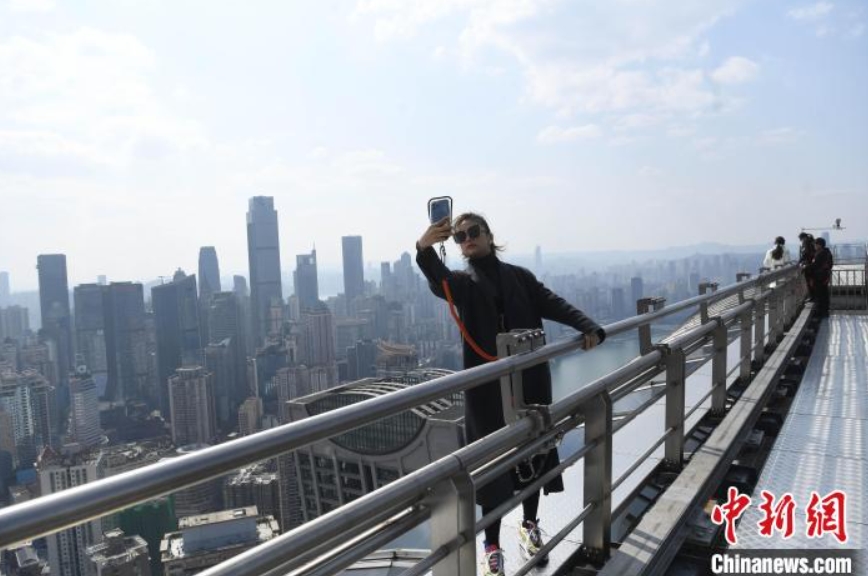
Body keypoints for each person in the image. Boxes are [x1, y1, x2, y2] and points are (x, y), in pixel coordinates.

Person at [416, 213, 606, 576]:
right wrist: (424, 248)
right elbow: (437, 280)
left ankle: (530, 524)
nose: (466, 240)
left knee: (531, 453)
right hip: (486, 392)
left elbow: (553, 303)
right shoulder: (462, 283)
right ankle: (491, 546)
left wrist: (589, 327)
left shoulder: (520, 277)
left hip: (530, 382)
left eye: (473, 233)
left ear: (489, 236)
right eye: (459, 237)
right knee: (490, 467)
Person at [806, 236, 834, 318]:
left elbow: (815, 265)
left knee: (820, 295)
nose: (814, 246)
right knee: (824, 294)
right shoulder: (827, 252)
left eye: (815, 244)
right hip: (824, 276)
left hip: (819, 277)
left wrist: (806, 267)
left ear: (819, 245)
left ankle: (820, 313)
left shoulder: (820, 253)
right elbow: (830, 264)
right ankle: (825, 312)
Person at [798, 232, 816, 301]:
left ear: (802, 238)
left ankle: (812, 297)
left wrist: (800, 261)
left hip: (808, 265)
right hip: (813, 264)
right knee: (812, 281)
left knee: (809, 281)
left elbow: (805, 253)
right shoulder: (811, 241)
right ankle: (814, 296)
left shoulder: (806, 242)